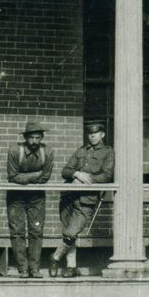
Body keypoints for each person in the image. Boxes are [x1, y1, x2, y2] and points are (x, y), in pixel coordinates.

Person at [51, 117, 115, 277]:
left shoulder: (108, 152)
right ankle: (71, 267)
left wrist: (88, 179)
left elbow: (107, 176)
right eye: (90, 134)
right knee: (67, 232)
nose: (92, 136)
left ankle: (55, 257)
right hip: (68, 196)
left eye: (96, 133)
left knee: (71, 233)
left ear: (102, 134)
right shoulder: (81, 151)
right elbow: (65, 171)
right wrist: (76, 173)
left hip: (87, 199)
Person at [4, 120, 53, 279]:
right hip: (16, 196)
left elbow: (45, 177)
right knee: (17, 231)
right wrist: (36, 174)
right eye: (31, 138)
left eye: (38, 138)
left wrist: (25, 178)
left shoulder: (47, 152)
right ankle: (23, 269)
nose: (34, 141)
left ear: (41, 138)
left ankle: (34, 268)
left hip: (36, 197)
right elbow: (12, 176)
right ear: (25, 138)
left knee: (36, 231)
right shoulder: (14, 150)